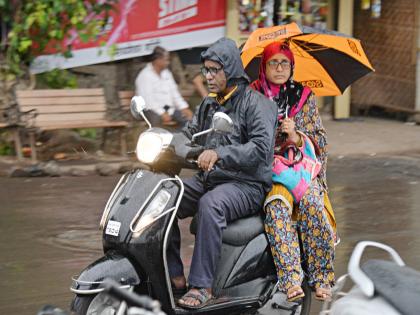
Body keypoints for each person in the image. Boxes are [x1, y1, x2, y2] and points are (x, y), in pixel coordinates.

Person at [167, 37, 277, 309]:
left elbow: (261, 149)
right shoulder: (209, 104)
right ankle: (173, 275)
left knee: (211, 204)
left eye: (215, 70)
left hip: (247, 185)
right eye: (206, 70)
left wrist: (220, 154)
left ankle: (202, 285)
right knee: (165, 198)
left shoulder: (256, 104)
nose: (209, 76)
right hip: (211, 179)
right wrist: (167, 146)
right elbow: (186, 135)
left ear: (230, 69)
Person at [250, 42, 336, 302]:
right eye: (273, 63)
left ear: (292, 66)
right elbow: (243, 137)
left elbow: (321, 141)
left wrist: (296, 136)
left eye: (284, 62)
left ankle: (321, 277)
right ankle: (290, 279)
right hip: (270, 173)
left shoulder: (303, 96)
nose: (279, 68)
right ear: (263, 67)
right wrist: (272, 135)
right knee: (276, 207)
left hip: (300, 171)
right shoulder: (252, 95)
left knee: (312, 202)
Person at [135, 46, 193, 127]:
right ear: (157, 60)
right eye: (166, 60)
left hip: (169, 109)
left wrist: (184, 107)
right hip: (150, 110)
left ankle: (183, 139)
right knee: (157, 121)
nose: (168, 62)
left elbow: (175, 94)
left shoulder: (167, 73)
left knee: (188, 120)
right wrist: (162, 113)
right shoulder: (145, 75)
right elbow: (147, 101)